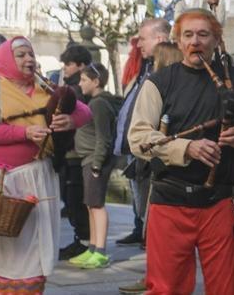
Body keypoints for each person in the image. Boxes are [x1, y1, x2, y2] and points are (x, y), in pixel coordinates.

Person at [128, 9, 234, 295]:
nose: (195, 42)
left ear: (216, 40)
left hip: (219, 202)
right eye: (188, 35)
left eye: (203, 34)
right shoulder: (159, 82)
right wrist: (186, 147)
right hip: (169, 201)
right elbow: (139, 138)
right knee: (166, 289)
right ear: (179, 41)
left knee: (226, 289)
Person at [0, 36, 91, 293]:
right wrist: (25, 133)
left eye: (31, 54)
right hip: (2, 179)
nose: (28, 59)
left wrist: (71, 121)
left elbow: (85, 111)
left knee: (35, 244)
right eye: (21, 55)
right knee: (2, 247)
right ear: (7, 59)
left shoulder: (45, 87)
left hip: (39, 176)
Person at [114, 20, 172, 295]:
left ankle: (157, 279)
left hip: (154, 157)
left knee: (156, 222)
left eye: (143, 39)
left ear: (160, 39)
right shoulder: (146, 69)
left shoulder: (164, 73)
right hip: (139, 153)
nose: (138, 44)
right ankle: (153, 276)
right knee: (146, 216)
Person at [69, 62, 122, 269]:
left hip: (94, 160)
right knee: (90, 204)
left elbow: (103, 138)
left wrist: (97, 165)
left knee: (97, 205)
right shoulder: (95, 102)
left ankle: (100, 252)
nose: (80, 84)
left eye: (84, 80)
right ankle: (92, 248)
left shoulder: (98, 104)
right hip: (89, 159)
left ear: (96, 81)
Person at [56, 44, 94, 261]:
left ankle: (84, 240)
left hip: (75, 151)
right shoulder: (71, 85)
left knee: (75, 199)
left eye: (69, 64)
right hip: (72, 151)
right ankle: (82, 238)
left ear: (81, 66)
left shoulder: (76, 88)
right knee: (71, 198)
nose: (65, 68)